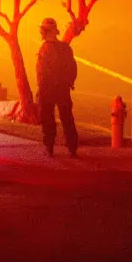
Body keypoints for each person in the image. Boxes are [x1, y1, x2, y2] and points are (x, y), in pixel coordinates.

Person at [36, 17, 79, 158]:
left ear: (47, 31)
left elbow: (42, 72)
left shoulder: (45, 49)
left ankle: (49, 147)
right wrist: (69, 83)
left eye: (42, 29)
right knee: (67, 118)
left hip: (48, 90)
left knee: (48, 119)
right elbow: (73, 68)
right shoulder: (65, 48)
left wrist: (41, 89)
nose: (40, 32)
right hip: (62, 90)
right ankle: (72, 148)